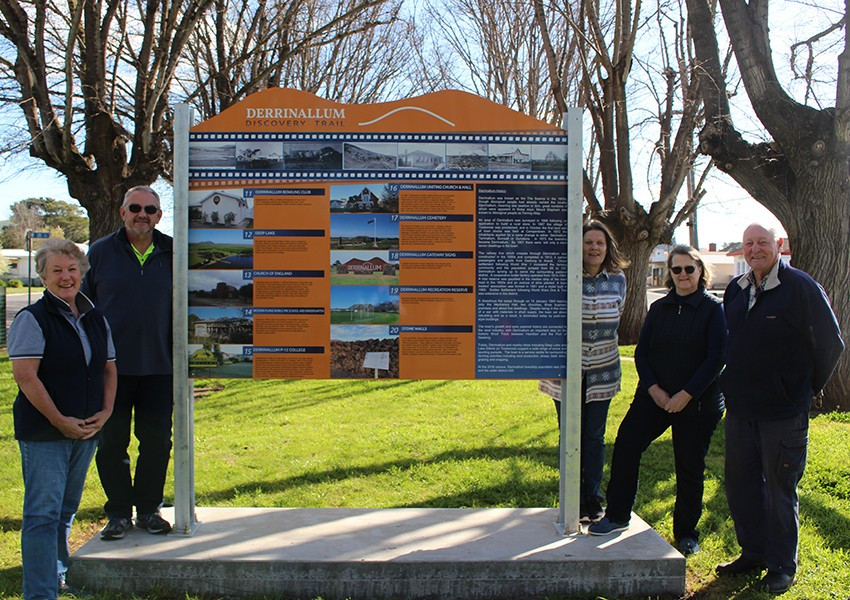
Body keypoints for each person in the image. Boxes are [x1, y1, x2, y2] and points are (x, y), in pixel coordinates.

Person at [715, 224, 844, 594]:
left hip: (783, 411)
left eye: (763, 243)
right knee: (740, 486)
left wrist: (805, 388)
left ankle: (781, 566)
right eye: (749, 244)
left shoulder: (801, 287)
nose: (755, 249)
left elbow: (830, 344)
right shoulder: (737, 290)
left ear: (779, 246)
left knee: (779, 489)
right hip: (741, 410)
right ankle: (753, 553)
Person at [588, 246, 726, 557]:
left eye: (689, 269)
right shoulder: (660, 308)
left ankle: (687, 532)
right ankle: (617, 515)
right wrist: (655, 390)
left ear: (701, 271)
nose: (682, 276)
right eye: (676, 270)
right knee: (626, 445)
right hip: (654, 397)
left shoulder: (712, 310)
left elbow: (717, 357)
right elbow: (642, 352)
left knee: (689, 466)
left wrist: (685, 395)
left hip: (697, 403)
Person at [9, 239, 117, 599]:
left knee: (65, 511)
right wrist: (59, 421)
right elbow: (26, 377)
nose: (65, 277)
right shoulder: (32, 319)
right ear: (42, 277)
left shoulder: (95, 318)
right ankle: (40, 594)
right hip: (45, 433)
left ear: (82, 274)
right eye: (56, 270)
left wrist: (106, 412)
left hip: (86, 430)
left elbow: (109, 368)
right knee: (42, 515)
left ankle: (56, 577)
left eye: (71, 269)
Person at [82, 185, 174, 539]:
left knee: (156, 443)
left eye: (150, 209)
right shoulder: (101, 252)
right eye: (135, 207)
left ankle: (150, 509)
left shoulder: (172, 251)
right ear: (122, 212)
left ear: (159, 216)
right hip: (110, 370)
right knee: (111, 444)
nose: (142, 215)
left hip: (160, 368)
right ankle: (118, 512)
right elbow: (84, 308)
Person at [554, 220, 629, 522]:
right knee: (569, 436)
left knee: (594, 437)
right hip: (566, 371)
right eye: (588, 242)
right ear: (579, 246)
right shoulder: (566, 275)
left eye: (599, 243)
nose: (594, 248)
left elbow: (618, 315)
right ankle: (571, 498)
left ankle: (592, 499)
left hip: (603, 370)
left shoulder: (619, 279)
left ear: (607, 247)